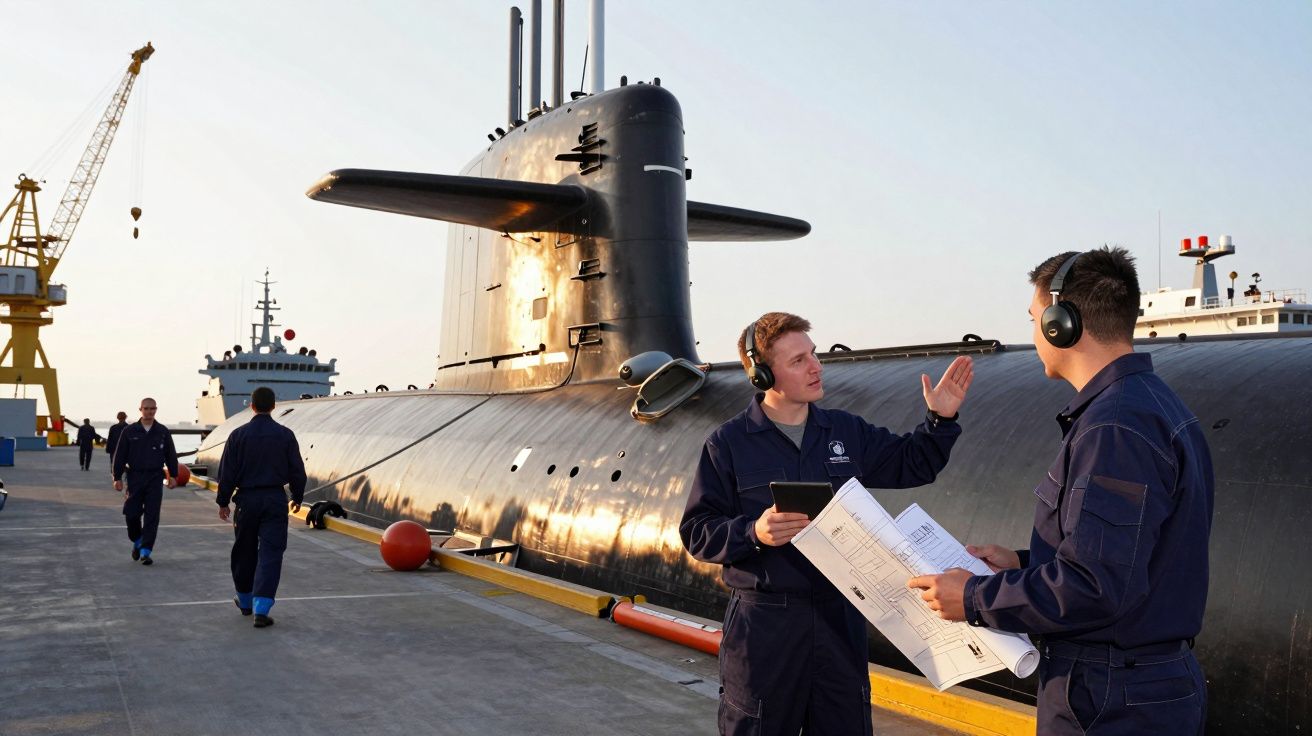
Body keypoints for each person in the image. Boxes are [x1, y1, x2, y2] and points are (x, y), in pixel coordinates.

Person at [908, 247, 1213, 735]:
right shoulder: (1150, 405)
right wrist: (1026, 563)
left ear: (1061, 324)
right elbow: (1131, 556)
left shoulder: (1114, 427)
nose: (1033, 334)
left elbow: (1097, 587)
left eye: (1034, 319)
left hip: (1110, 698)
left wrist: (973, 597)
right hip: (1136, 689)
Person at [680, 312, 973, 736]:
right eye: (799, 361)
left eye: (813, 355)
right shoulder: (729, 444)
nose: (816, 367)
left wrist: (940, 421)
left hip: (840, 620)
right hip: (766, 626)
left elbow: (913, 464)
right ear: (763, 375)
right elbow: (697, 531)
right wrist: (753, 532)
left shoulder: (844, 431)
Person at [216, 386, 307, 628]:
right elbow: (298, 471)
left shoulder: (237, 435)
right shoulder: (285, 435)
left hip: (246, 500)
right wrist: (297, 497)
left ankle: (244, 600)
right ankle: (261, 608)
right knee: (271, 553)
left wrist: (223, 501)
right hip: (275, 500)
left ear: (251, 406)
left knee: (244, 550)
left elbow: (227, 473)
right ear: (274, 406)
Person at [112, 398, 179, 565]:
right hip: (134, 477)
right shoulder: (129, 431)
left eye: (152, 409)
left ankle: (146, 551)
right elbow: (119, 456)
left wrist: (173, 476)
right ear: (140, 409)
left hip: (155, 478)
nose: (149, 411)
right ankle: (137, 540)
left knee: (152, 515)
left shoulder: (162, 431)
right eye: (146, 408)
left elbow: (170, 455)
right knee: (131, 514)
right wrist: (117, 477)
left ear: (156, 410)